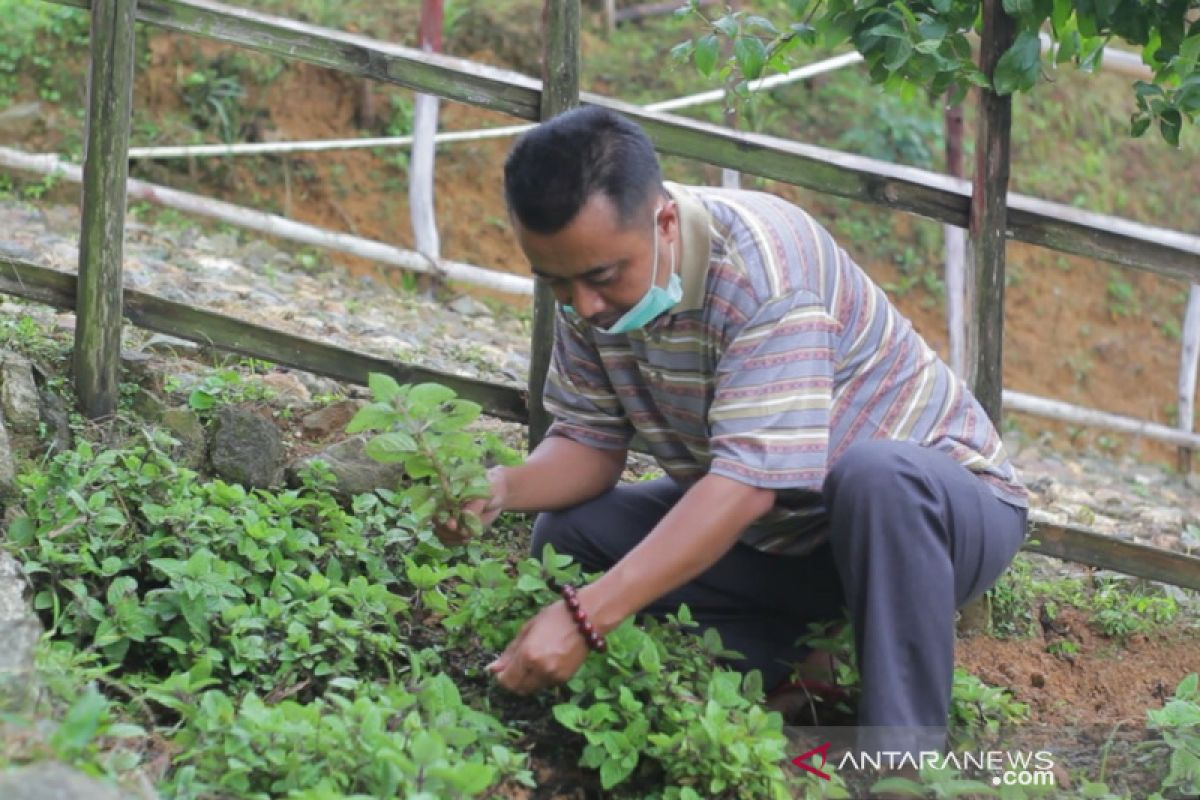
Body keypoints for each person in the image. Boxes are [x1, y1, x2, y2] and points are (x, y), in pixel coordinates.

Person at [442, 105, 1028, 759]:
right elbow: (590, 441)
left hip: (934, 522)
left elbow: (746, 485)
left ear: (664, 221)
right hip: (788, 536)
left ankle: (902, 760)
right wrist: (500, 486)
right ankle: (800, 671)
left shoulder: (765, 272)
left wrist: (588, 615)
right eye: (556, 283)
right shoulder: (591, 285)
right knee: (569, 533)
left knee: (876, 475)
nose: (583, 305)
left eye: (601, 278)